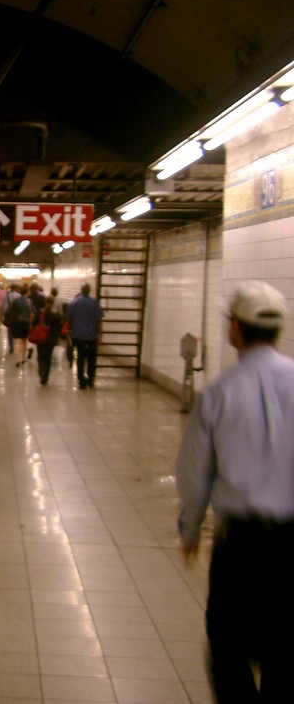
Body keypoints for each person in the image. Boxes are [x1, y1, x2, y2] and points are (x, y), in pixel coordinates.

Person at [175, 281, 294, 703]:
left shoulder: (219, 395)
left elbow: (194, 473)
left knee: (228, 649)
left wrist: (190, 530)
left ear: (235, 330)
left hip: (241, 546)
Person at [65, 283, 103, 388]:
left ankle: (81, 380)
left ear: (81, 290)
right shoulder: (95, 303)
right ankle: (91, 379)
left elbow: (69, 320)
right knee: (92, 358)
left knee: (80, 357)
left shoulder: (74, 303)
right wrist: (100, 335)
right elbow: (98, 321)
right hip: (92, 335)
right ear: (89, 290)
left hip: (78, 335)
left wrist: (69, 332)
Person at [34, 295, 65, 385]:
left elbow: (34, 323)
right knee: (48, 358)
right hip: (50, 339)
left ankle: (41, 371)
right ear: (52, 304)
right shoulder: (56, 316)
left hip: (41, 338)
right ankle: (45, 376)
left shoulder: (39, 313)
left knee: (40, 356)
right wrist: (58, 338)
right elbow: (58, 329)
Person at [4, 284, 33, 366]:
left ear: (20, 291)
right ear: (27, 292)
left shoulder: (15, 301)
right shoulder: (29, 301)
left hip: (17, 322)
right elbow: (33, 312)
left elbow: (8, 311)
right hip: (26, 323)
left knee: (17, 341)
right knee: (24, 341)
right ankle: (23, 358)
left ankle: (18, 359)